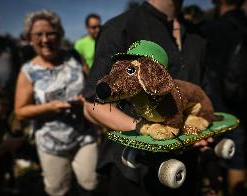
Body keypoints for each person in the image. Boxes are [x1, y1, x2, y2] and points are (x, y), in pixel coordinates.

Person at [83, 0, 211, 195]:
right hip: (133, 167)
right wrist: (146, 129)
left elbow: (201, 92)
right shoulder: (120, 27)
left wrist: (202, 132)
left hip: (185, 165)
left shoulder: (198, 34)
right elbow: (92, 104)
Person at [15, 10, 98, 196]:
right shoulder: (28, 71)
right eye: (39, 34)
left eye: (50, 33)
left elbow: (90, 84)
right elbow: (20, 111)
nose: (45, 39)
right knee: (59, 190)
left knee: (90, 184)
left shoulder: (74, 56)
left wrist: (86, 98)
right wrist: (50, 107)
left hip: (84, 136)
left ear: (59, 34)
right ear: (30, 38)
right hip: (50, 144)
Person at [201, 0, 247, 195]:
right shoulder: (243, 26)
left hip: (215, 110)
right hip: (242, 108)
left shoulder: (208, 30)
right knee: (238, 160)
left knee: (211, 156)